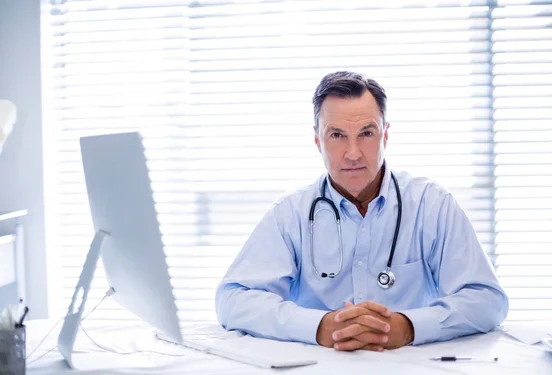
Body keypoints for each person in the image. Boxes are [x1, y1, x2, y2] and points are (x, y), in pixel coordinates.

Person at [215, 71, 509, 352]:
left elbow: (488, 300)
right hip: (316, 373)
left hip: (412, 373)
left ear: (386, 135)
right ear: (317, 140)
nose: (353, 153)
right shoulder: (290, 214)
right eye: (337, 135)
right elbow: (233, 300)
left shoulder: (432, 205)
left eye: (367, 133)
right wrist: (319, 327)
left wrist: (409, 326)